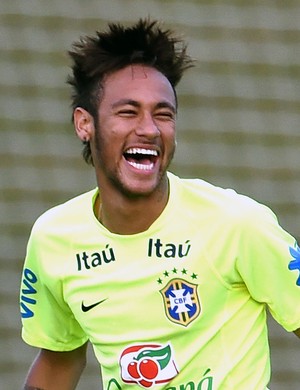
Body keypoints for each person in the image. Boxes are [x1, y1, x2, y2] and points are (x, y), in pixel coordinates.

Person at [19, 18, 300, 390]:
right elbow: (59, 358)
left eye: (163, 114)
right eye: (128, 112)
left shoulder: (237, 223)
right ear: (84, 124)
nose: (150, 129)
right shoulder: (53, 238)